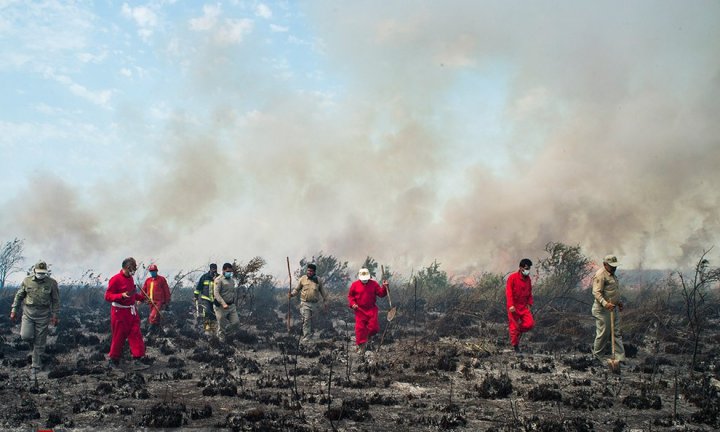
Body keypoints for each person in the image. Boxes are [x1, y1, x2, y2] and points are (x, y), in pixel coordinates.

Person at [10, 260, 60, 380]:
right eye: (39, 272)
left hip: (43, 314)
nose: (41, 275)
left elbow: (55, 300)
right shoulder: (27, 281)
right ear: (34, 271)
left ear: (46, 272)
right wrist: (14, 310)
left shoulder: (52, 283)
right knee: (25, 336)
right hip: (28, 312)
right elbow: (19, 296)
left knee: (40, 340)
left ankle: (36, 365)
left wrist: (55, 315)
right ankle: (35, 352)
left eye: (43, 273)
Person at [104, 257, 147, 370]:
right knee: (118, 336)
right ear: (128, 267)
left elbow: (132, 294)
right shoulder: (115, 279)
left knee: (135, 334)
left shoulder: (130, 279)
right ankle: (113, 361)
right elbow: (108, 296)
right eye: (134, 266)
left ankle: (137, 360)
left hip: (131, 311)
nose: (135, 269)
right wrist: (120, 296)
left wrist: (142, 298)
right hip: (119, 312)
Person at [591, 254, 625, 362]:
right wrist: (605, 304)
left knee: (616, 332)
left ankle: (620, 358)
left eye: (615, 266)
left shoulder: (612, 274)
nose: (614, 268)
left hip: (612, 308)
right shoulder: (600, 275)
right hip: (602, 310)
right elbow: (596, 293)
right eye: (611, 266)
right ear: (605, 264)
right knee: (604, 332)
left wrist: (618, 302)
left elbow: (612, 291)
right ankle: (597, 356)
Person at [347, 268, 388, 354]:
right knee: (360, 329)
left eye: (366, 278)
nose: (365, 280)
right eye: (363, 279)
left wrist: (385, 287)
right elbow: (350, 297)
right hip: (360, 310)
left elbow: (381, 294)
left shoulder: (374, 284)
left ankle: (367, 339)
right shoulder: (355, 285)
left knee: (374, 328)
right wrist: (353, 304)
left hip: (371, 309)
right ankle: (361, 347)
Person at [289, 263, 328, 343]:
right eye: (308, 270)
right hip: (305, 303)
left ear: (314, 272)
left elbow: (323, 292)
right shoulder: (303, 279)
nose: (309, 272)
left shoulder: (318, 280)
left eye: (311, 271)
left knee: (313, 320)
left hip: (314, 304)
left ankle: (311, 334)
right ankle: (306, 337)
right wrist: (292, 294)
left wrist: (325, 301)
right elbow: (297, 289)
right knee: (306, 320)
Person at [506, 258, 535, 354]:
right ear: (520, 268)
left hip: (524, 306)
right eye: (526, 268)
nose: (527, 270)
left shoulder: (528, 280)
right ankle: (515, 346)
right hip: (514, 307)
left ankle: (516, 331)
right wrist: (510, 305)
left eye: (529, 268)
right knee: (513, 327)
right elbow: (509, 292)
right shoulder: (512, 277)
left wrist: (529, 303)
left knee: (530, 324)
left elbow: (530, 292)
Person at [140, 264, 170, 334]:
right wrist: (140, 299)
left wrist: (167, 301)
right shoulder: (148, 280)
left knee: (152, 316)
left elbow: (166, 290)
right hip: (150, 301)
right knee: (156, 317)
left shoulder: (161, 279)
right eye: (151, 271)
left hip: (159, 301)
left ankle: (150, 331)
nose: (153, 272)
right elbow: (143, 290)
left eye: (154, 271)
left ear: (157, 271)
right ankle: (157, 332)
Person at [213, 262, 240, 342]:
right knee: (221, 323)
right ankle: (222, 342)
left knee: (236, 323)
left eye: (231, 272)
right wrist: (223, 303)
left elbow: (233, 292)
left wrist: (234, 302)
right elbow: (216, 293)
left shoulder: (231, 281)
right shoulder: (218, 280)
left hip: (231, 305)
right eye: (228, 271)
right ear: (223, 270)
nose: (229, 273)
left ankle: (225, 333)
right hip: (221, 306)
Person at [194, 263, 218, 333]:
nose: (214, 271)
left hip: (215, 300)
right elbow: (198, 287)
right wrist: (196, 296)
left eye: (215, 269)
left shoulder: (218, 277)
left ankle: (212, 331)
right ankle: (207, 330)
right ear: (210, 269)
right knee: (207, 312)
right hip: (205, 299)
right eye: (213, 269)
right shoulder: (204, 277)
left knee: (214, 315)